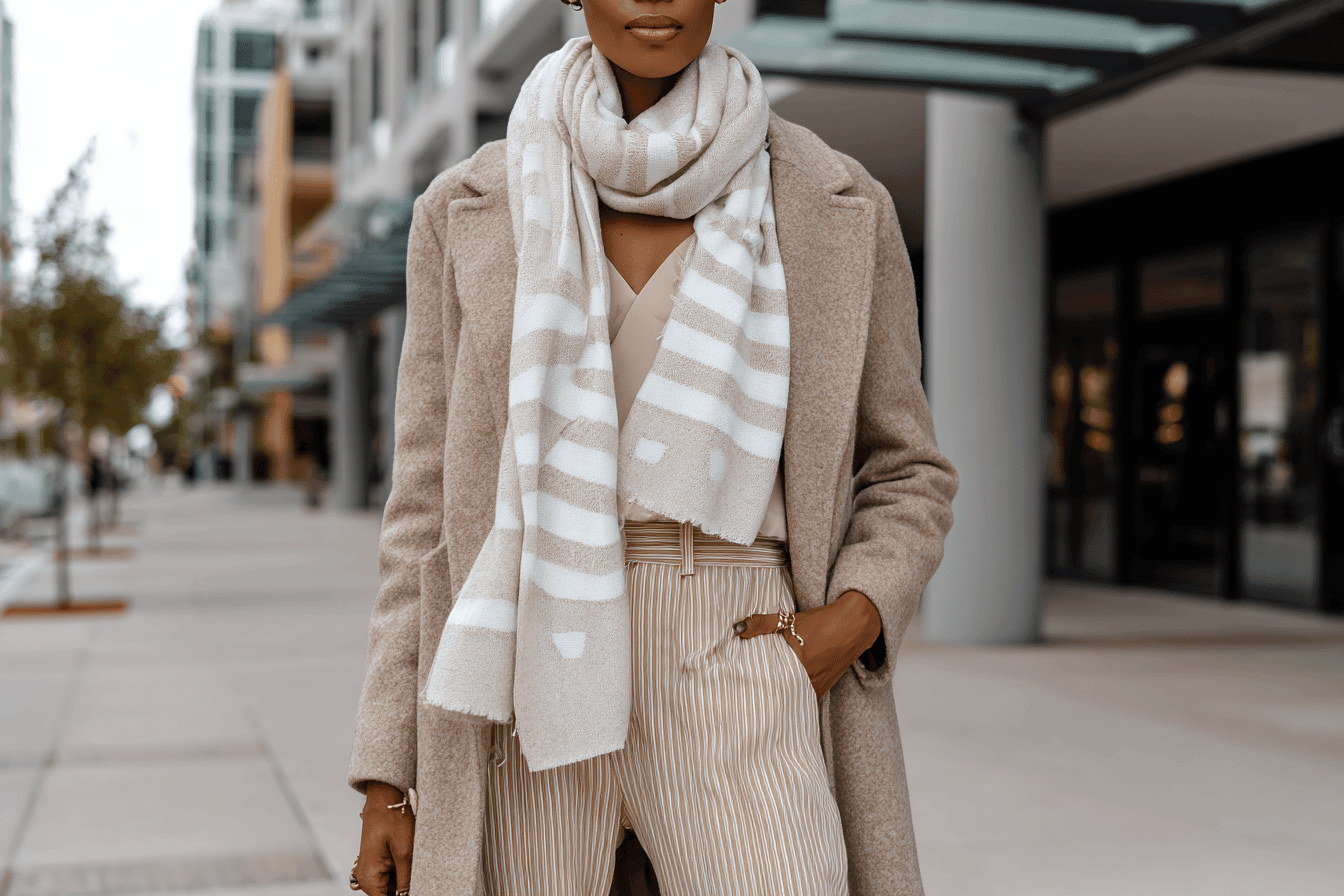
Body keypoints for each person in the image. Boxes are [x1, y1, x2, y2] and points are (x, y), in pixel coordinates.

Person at [347, 1, 957, 894]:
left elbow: (908, 468)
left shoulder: (835, 202)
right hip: (529, 658)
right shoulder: (470, 207)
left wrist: (852, 619)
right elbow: (424, 511)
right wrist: (386, 777)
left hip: (737, 638)